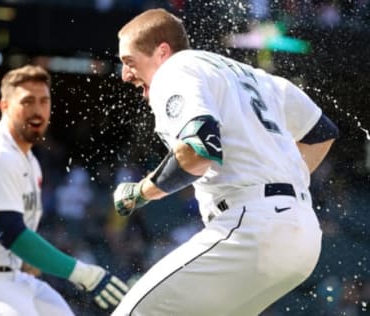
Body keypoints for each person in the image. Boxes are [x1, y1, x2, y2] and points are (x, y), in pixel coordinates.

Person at [112, 8, 339, 316]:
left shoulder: (174, 68)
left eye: (129, 61)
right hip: (302, 236)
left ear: (161, 51)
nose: (126, 74)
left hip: (253, 227)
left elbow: (199, 150)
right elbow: (321, 133)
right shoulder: (252, 74)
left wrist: (141, 191)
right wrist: (282, 180)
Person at [0, 65, 128, 316]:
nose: (37, 110)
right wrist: (84, 273)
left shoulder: (29, 162)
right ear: (4, 106)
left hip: (10, 278)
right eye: (27, 101)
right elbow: (10, 232)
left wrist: (29, 260)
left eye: (44, 101)